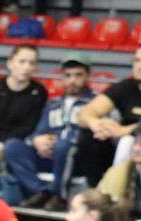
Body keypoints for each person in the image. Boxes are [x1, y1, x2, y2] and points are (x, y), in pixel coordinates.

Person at [76, 41, 141, 185]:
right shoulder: (125, 86)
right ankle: (97, 189)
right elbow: (86, 113)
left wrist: (122, 131)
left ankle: (117, 191)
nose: (139, 66)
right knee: (89, 136)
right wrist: (96, 124)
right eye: (136, 61)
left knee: (129, 141)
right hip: (121, 142)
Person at [6, 54, 93, 211]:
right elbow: (38, 132)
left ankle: (59, 196)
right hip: (49, 155)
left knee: (63, 145)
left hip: (78, 156)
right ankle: (41, 191)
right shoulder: (52, 104)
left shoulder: (96, 102)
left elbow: (93, 137)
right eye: (67, 76)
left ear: (88, 76)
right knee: (12, 146)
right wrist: (37, 141)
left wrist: (61, 141)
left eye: (78, 75)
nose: (72, 80)